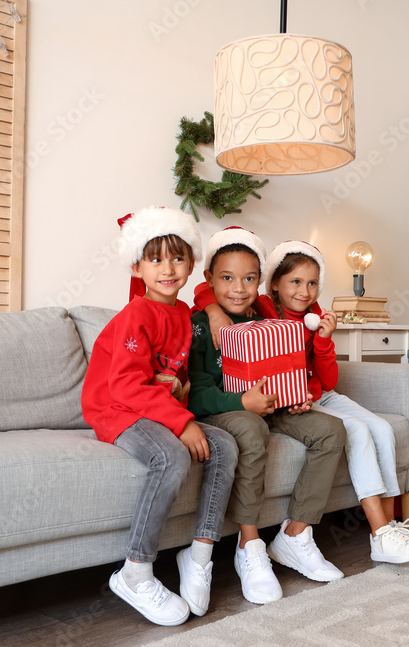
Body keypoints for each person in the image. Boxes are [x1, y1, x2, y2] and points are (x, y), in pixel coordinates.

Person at [196, 241, 409, 564]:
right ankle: (378, 531)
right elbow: (209, 287)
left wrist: (323, 341)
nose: (304, 291)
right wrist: (211, 309)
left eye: (312, 284)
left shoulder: (315, 318)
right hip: (274, 399)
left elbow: (328, 380)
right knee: (355, 431)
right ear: (275, 284)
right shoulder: (262, 308)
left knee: (376, 428)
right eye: (296, 282)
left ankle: (388, 527)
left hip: (307, 394)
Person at [81, 207, 238, 626]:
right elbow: (127, 385)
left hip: (154, 408)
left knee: (224, 444)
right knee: (171, 456)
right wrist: (182, 422)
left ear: (191, 262)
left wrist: (183, 403)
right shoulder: (137, 313)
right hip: (117, 409)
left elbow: (174, 369)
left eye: (177, 257)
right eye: (155, 259)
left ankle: (200, 552)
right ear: (137, 265)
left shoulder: (185, 313)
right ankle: (134, 571)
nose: (168, 268)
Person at [188, 227, 348, 605]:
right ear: (210, 281)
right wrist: (242, 403)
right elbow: (197, 394)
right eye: (227, 278)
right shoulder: (200, 325)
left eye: (248, 279)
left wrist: (295, 396)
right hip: (229, 411)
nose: (238, 288)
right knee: (251, 429)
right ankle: (250, 544)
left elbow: (292, 367)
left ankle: (295, 535)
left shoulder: (265, 316)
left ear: (260, 283)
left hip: (274, 405)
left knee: (332, 430)